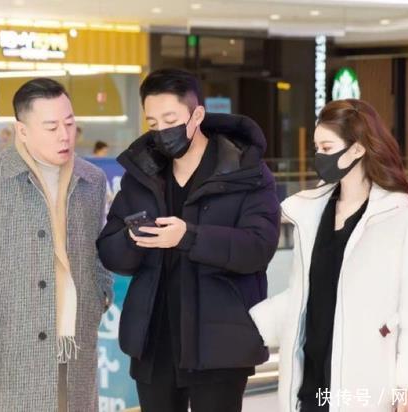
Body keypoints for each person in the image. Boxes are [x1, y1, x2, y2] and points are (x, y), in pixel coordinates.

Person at [96, 68, 280, 412]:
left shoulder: (245, 172)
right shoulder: (143, 174)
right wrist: (132, 238)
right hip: (154, 340)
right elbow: (109, 251)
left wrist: (189, 236)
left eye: (170, 120)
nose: (162, 132)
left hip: (220, 342)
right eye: (153, 123)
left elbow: (258, 247)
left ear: (197, 116)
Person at [250, 99, 408, 412]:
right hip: (310, 383)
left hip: (365, 384)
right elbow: (307, 293)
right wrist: (253, 323)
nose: (319, 156)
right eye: (317, 148)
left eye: (327, 148)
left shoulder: (400, 218)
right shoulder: (310, 213)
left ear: (357, 149)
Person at [0, 78, 113, 411]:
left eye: (69, 123)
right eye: (51, 127)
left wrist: (101, 294)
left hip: (76, 338)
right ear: (22, 131)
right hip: (12, 341)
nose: (64, 135)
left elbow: (98, 251)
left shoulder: (92, 180)